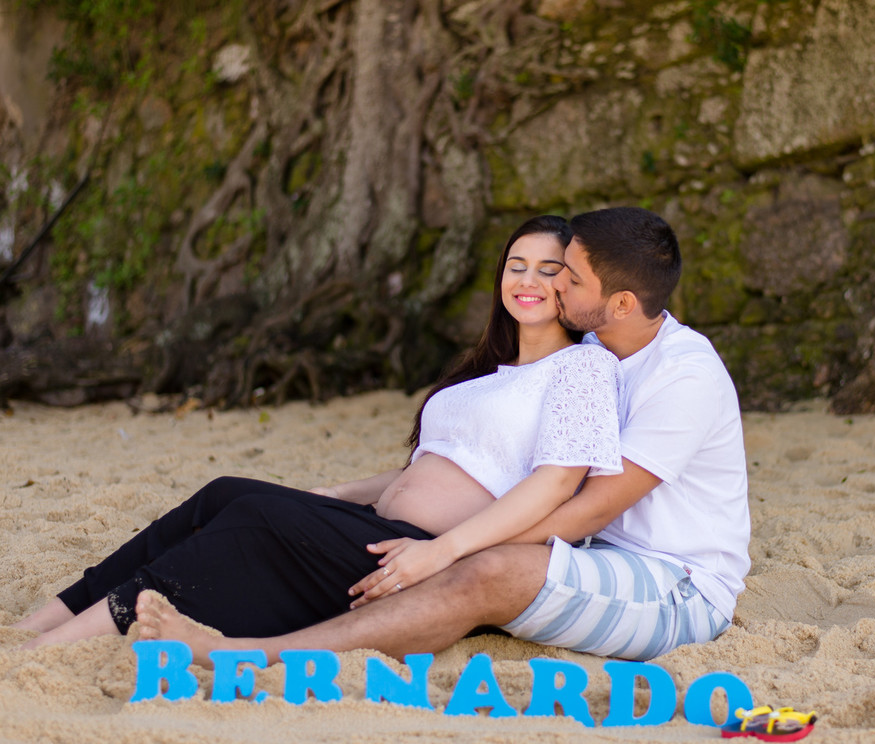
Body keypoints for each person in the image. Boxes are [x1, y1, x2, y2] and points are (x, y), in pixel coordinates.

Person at [136, 206, 751, 663]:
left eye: (571, 279)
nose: (554, 284)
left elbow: (591, 508)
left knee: (485, 571)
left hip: (675, 584)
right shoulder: (591, 349)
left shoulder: (684, 376)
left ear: (620, 303)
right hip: (582, 557)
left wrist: (450, 545)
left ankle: (252, 656)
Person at [15, 215, 623, 649]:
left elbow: (553, 485)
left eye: (549, 270)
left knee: (254, 518)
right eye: (516, 265)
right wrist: (335, 495)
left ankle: (65, 643)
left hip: (427, 554)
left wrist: (442, 551)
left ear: (572, 284)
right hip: (383, 528)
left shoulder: (582, 367)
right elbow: (440, 466)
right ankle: (47, 618)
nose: (528, 280)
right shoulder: (486, 376)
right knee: (225, 491)